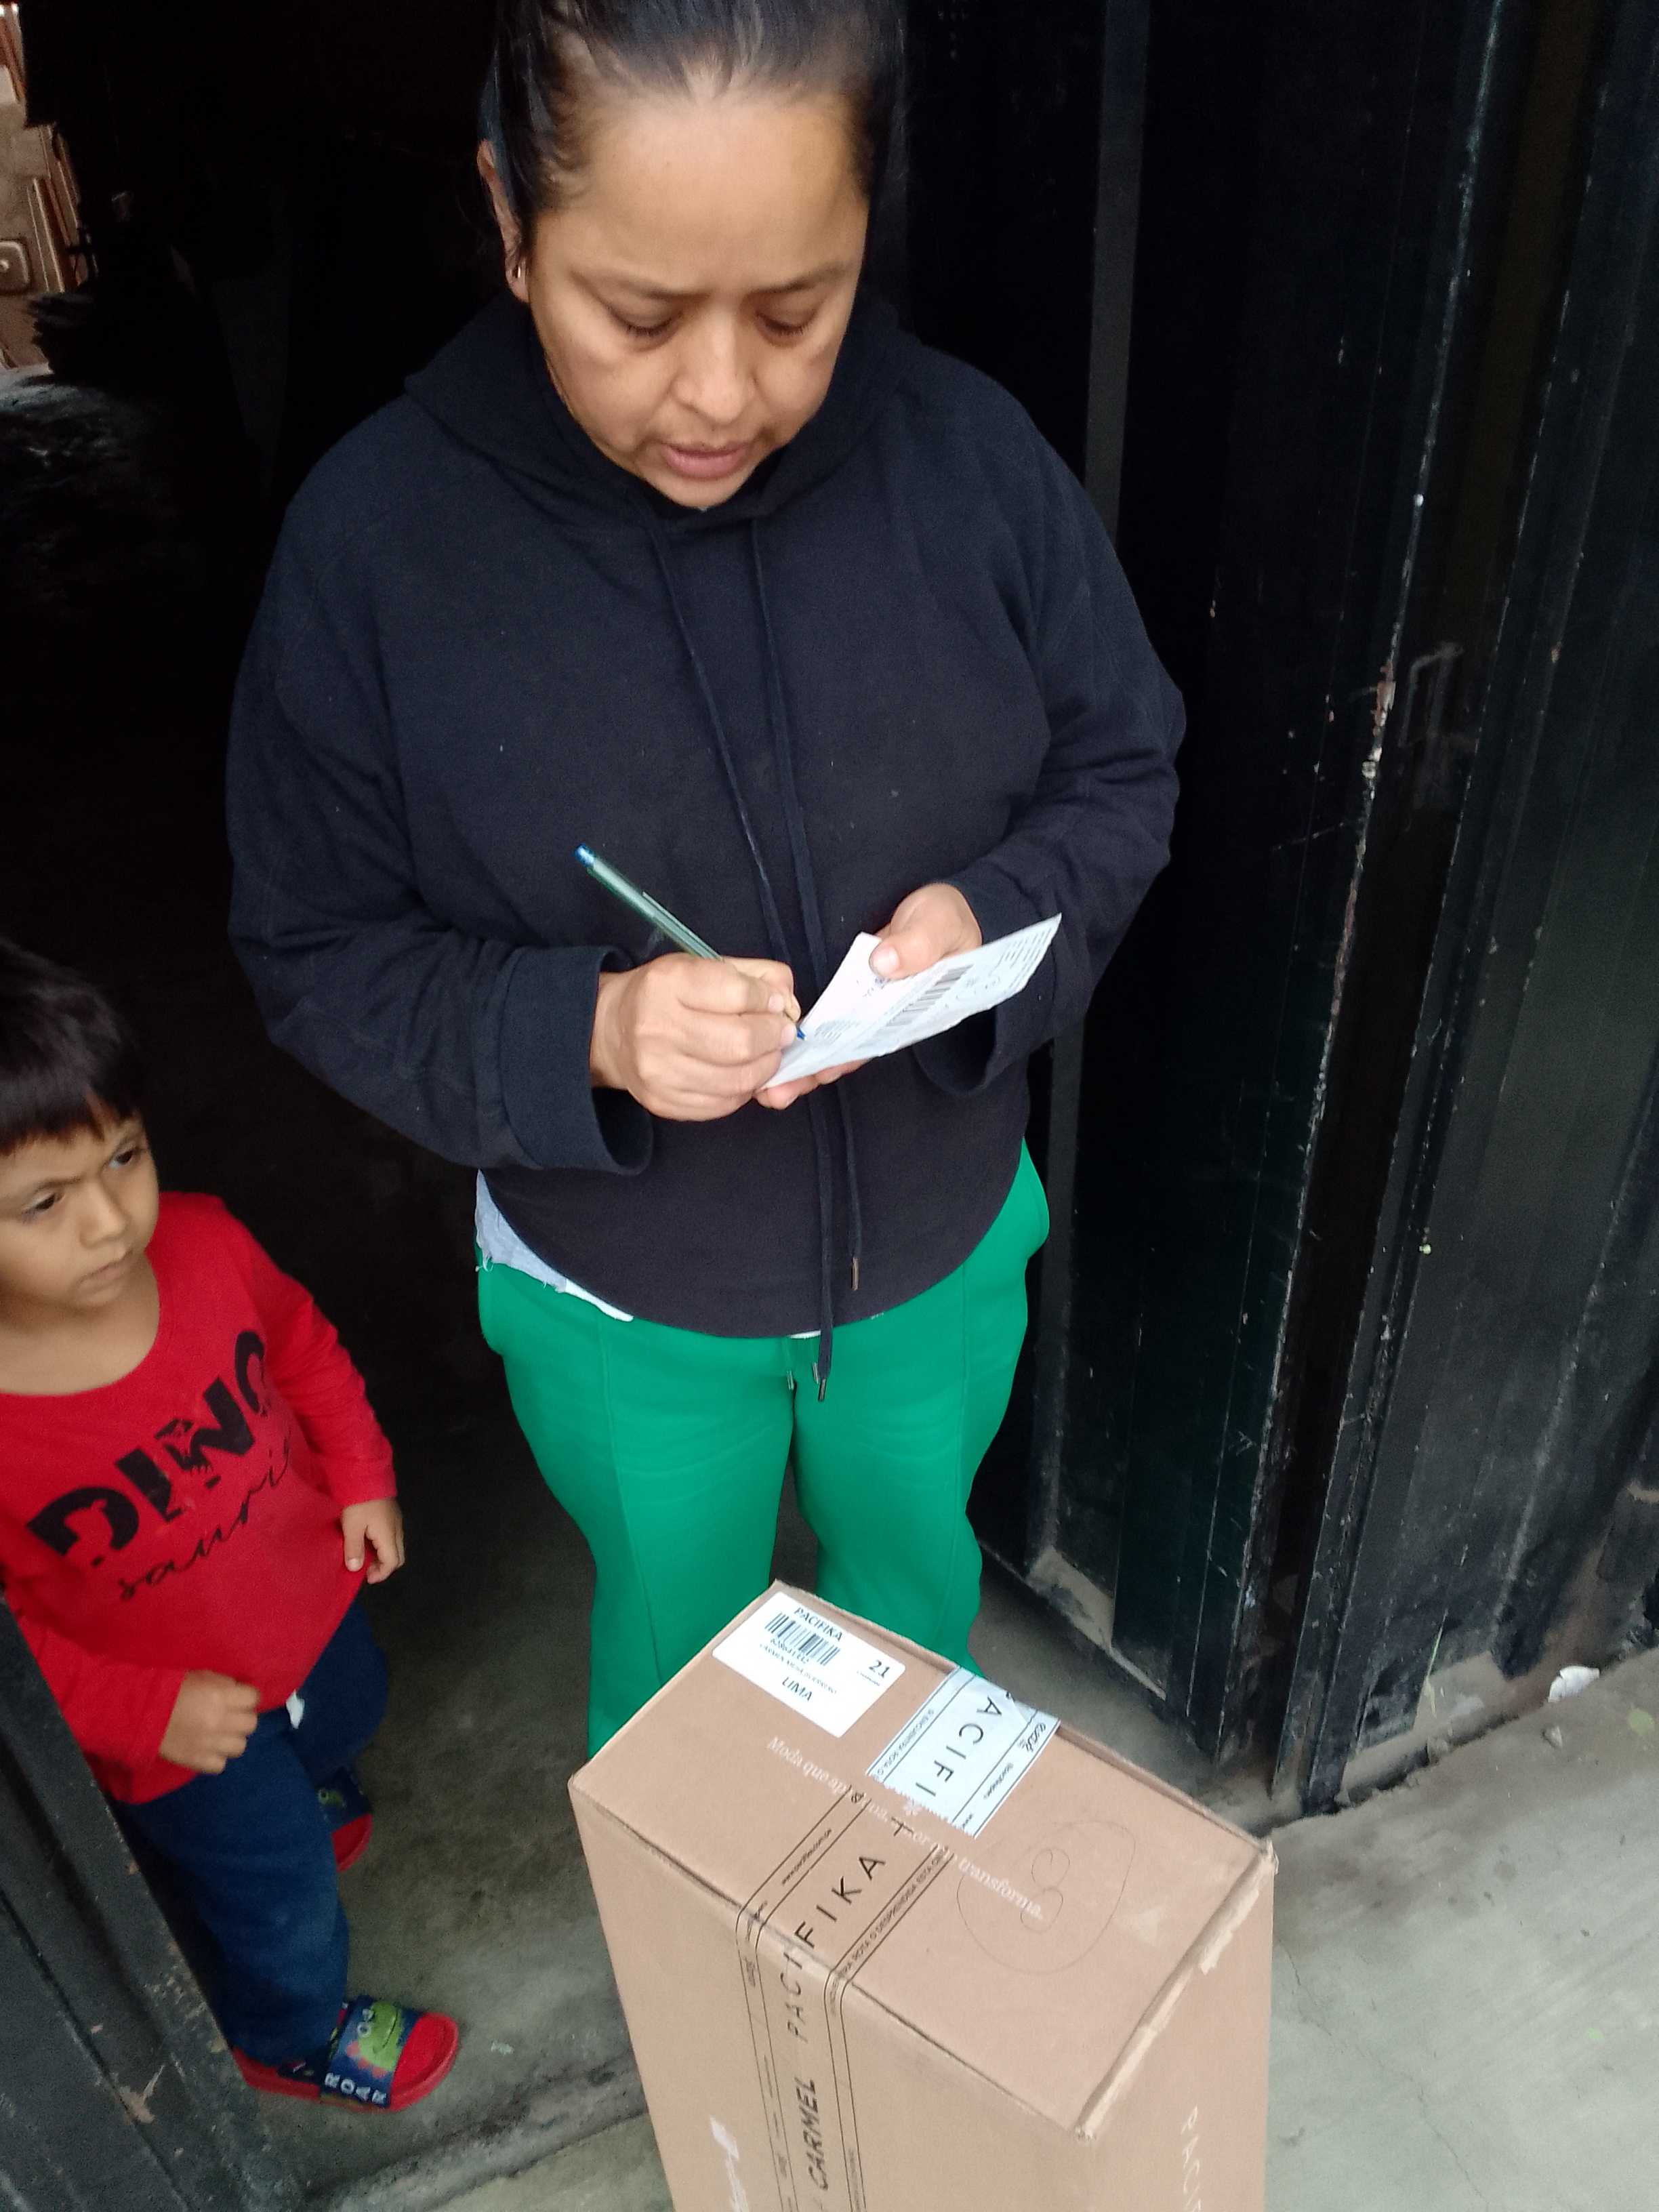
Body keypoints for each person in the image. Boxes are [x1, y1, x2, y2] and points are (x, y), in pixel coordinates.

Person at [226, 0, 1183, 1755]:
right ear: (511, 219)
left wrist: (989, 920)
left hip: (941, 1245)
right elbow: (315, 945)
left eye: (798, 310)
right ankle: (710, 1916)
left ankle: (905, 1872)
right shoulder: (379, 548)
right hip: (620, 1297)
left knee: (919, 1602)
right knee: (685, 1681)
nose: (725, 393)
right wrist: (584, 1032)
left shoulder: (969, 459)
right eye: (643, 316)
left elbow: (1123, 766)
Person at [0, 943, 457, 2112]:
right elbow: (13, 1649)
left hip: (310, 1605)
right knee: (276, 1890)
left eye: (124, 1155)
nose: (110, 1221)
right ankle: (289, 2032)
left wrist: (360, 1472)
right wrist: (138, 1713)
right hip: (175, 1725)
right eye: (44, 1202)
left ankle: (305, 1785)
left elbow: (301, 1347)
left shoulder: (203, 1243)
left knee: (350, 1711)